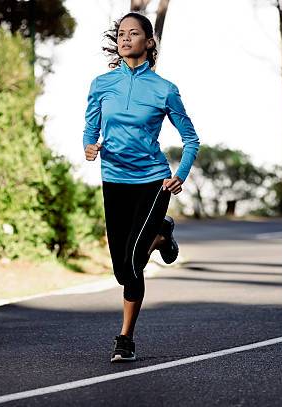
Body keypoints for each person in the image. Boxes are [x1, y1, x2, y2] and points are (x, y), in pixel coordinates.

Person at [82, 12, 200, 363]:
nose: (125, 38)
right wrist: (90, 147)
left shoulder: (164, 89)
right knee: (121, 270)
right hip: (114, 180)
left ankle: (125, 339)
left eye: (134, 33)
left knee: (133, 263)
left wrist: (181, 172)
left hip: (152, 181)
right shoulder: (101, 84)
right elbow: (90, 130)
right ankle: (161, 235)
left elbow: (191, 138)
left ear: (149, 42)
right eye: (121, 33)